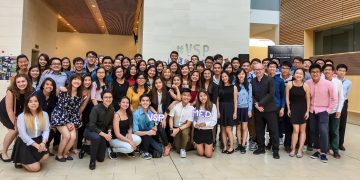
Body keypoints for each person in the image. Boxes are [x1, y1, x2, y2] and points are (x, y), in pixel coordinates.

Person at [306, 63, 337, 163]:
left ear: (321, 73)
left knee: (323, 131)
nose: (315, 73)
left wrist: (328, 110)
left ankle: (323, 152)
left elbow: (334, 98)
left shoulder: (328, 83)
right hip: (311, 110)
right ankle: (317, 151)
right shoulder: (307, 83)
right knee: (313, 131)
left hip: (323, 111)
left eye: (317, 72)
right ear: (310, 73)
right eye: (313, 72)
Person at [11, 95, 50, 171]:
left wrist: (43, 143)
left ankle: (31, 160)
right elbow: (23, 135)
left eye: (35, 101)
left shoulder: (44, 114)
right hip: (25, 142)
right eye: (30, 101)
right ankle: (20, 161)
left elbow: (46, 130)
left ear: (39, 103)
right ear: (27, 104)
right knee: (36, 168)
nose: (33, 103)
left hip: (38, 139)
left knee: (46, 156)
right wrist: (36, 146)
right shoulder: (21, 116)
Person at [0, 74, 33, 162]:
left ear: (27, 82)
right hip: (5, 111)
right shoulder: (11, 91)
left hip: (19, 111)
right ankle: (4, 153)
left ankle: (16, 152)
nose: (21, 84)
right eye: (18, 82)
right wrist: (15, 123)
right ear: (15, 83)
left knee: (21, 131)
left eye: (23, 81)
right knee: (14, 130)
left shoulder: (31, 90)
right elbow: (9, 110)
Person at [51, 75, 82, 162]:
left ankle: (65, 153)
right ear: (71, 81)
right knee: (66, 136)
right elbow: (62, 107)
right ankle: (59, 155)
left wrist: (72, 122)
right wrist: (67, 122)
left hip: (70, 119)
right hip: (60, 116)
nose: (77, 81)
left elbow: (75, 111)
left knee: (73, 137)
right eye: (75, 79)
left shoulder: (79, 95)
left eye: (79, 80)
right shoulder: (64, 91)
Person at [251, 63, 280, 159]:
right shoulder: (253, 81)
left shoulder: (270, 80)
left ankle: (275, 150)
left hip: (270, 110)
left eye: (260, 69)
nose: (258, 71)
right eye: (256, 69)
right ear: (254, 70)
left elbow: (271, 94)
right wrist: (256, 104)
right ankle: (261, 148)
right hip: (258, 110)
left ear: (264, 69)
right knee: (259, 130)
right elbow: (252, 95)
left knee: (273, 130)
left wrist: (260, 104)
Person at [83, 90, 115, 170]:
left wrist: (109, 131)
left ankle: (85, 148)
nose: (108, 99)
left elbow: (110, 123)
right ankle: (92, 161)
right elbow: (92, 125)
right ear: (102, 98)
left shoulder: (112, 109)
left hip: (102, 133)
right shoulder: (96, 108)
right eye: (106, 97)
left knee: (101, 159)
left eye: (110, 97)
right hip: (90, 131)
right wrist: (105, 135)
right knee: (96, 138)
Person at [286, 68, 310, 158]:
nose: (298, 75)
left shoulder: (306, 86)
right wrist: (288, 109)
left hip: (303, 109)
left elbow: (308, 99)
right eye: (297, 73)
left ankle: (300, 150)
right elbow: (287, 98)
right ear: (294, 74)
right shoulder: (289, 84)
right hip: (294, 109)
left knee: (302, 131)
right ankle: (293, 149)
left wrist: (307, 111)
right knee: (295, 130)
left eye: (300, 74)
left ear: (303, 76)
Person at [133, 94, 163, 160]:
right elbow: (135, 132)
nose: (145, 102)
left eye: (147, 101)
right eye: (143, 101)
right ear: (140, 102)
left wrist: (154, 129)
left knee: (160, 151)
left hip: (147, 136)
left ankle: (142, 149)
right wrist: (148, 132)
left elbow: (151, 128)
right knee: (147, 131)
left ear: (149, 103)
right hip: (138, 136)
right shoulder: (135, 114)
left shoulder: (151, 114)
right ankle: (144, 152)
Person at [323, 64, 344, 159]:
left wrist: (339, 110)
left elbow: (341, 98)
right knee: (325, 131)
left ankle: (335, 150)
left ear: (333, 72)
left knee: (334, 131)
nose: (327, 71)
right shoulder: (321, 82)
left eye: (329, 70)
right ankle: (326, 148)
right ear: (323, 71)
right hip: (324, 111)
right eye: (326, 69)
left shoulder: (338, 82)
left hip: (335, 111)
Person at [34, 78, 58, 155]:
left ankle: (46, 146)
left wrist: (51, 124)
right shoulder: (37, 95)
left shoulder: (53, 97)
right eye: (47, 84)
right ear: (43, 86)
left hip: (45, 119)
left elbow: (51, 112)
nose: (49, 86)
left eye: (51, 85)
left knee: (53, 128)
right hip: (34, 119)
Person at [149, 77, 172, 156]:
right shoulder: (151, 92)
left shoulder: (167, 93)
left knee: (161, 127)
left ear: (163, 83)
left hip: (165, 114)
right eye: (156, 83)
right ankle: (159, 144)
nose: (158, 84)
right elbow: (150, 106)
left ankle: (166, 145)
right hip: (154, 114)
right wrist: (156, 114)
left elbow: (168, 108)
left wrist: (164, 119)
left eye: (159, 82)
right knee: (153, 128)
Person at [169, 88, 194, 158]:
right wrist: (172, 129)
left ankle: (183, 149)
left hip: (185, 127)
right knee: (177, 150)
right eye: (184, 95)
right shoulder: (175, 105)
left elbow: (188, 124)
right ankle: (186, 146)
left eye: (188, 95)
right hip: (175, 127)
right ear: (181, 96)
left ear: (191, 97)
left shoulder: (192, 108)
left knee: (185, 133)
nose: (186, 97)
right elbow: (171, 118)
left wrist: (178, 129)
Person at [218, 72, 238, 154]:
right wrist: (218, 111)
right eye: (222, 77)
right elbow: (217, 100)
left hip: (230, 108)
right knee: (222, 129)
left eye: (225, 76)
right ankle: (225, 146)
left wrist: (235, 112)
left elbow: (235, 100)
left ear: (228, 77)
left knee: (228, 129)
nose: (224, 78)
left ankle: (232, 147)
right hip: (221, 108)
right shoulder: (220, 87)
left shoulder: (234, 87)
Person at [193, 90, 217, 158]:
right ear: (198, 97)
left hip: (208, 131)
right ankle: (198, 144)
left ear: (207, 96)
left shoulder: (213, 106)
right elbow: (194, 120)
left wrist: (205, 124)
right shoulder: (196, 107)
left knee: (208, 155)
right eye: (200, 96)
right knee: (200, 154)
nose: (203, 97)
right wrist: (195, 124)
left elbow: (214, 121)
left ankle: (209, 146)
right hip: (198, 132)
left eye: (204, 95)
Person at [235, 68, 252, 154]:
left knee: (244, 128)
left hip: (245, 109)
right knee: (238, 127)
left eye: (242, 74)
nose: (241, 75)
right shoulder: (234, 85)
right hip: (237, 109)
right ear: (237, 76)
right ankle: (239, 144)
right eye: (239, 74)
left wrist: (249, 110)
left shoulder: (248, 85)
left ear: (245, 75)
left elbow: (250, 98)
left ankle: (243, 144)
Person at [336, 64, 352, 151]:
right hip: (334, 103)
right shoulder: (333, 80)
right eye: (340, 70)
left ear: (345, 72)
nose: (342, 72)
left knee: (342, 123)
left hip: (343, 103)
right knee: (333, 123)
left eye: (343, 71)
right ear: (336, 71)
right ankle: (331, 142)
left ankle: (340, 143)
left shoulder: (348, 82)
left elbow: (347, 94)